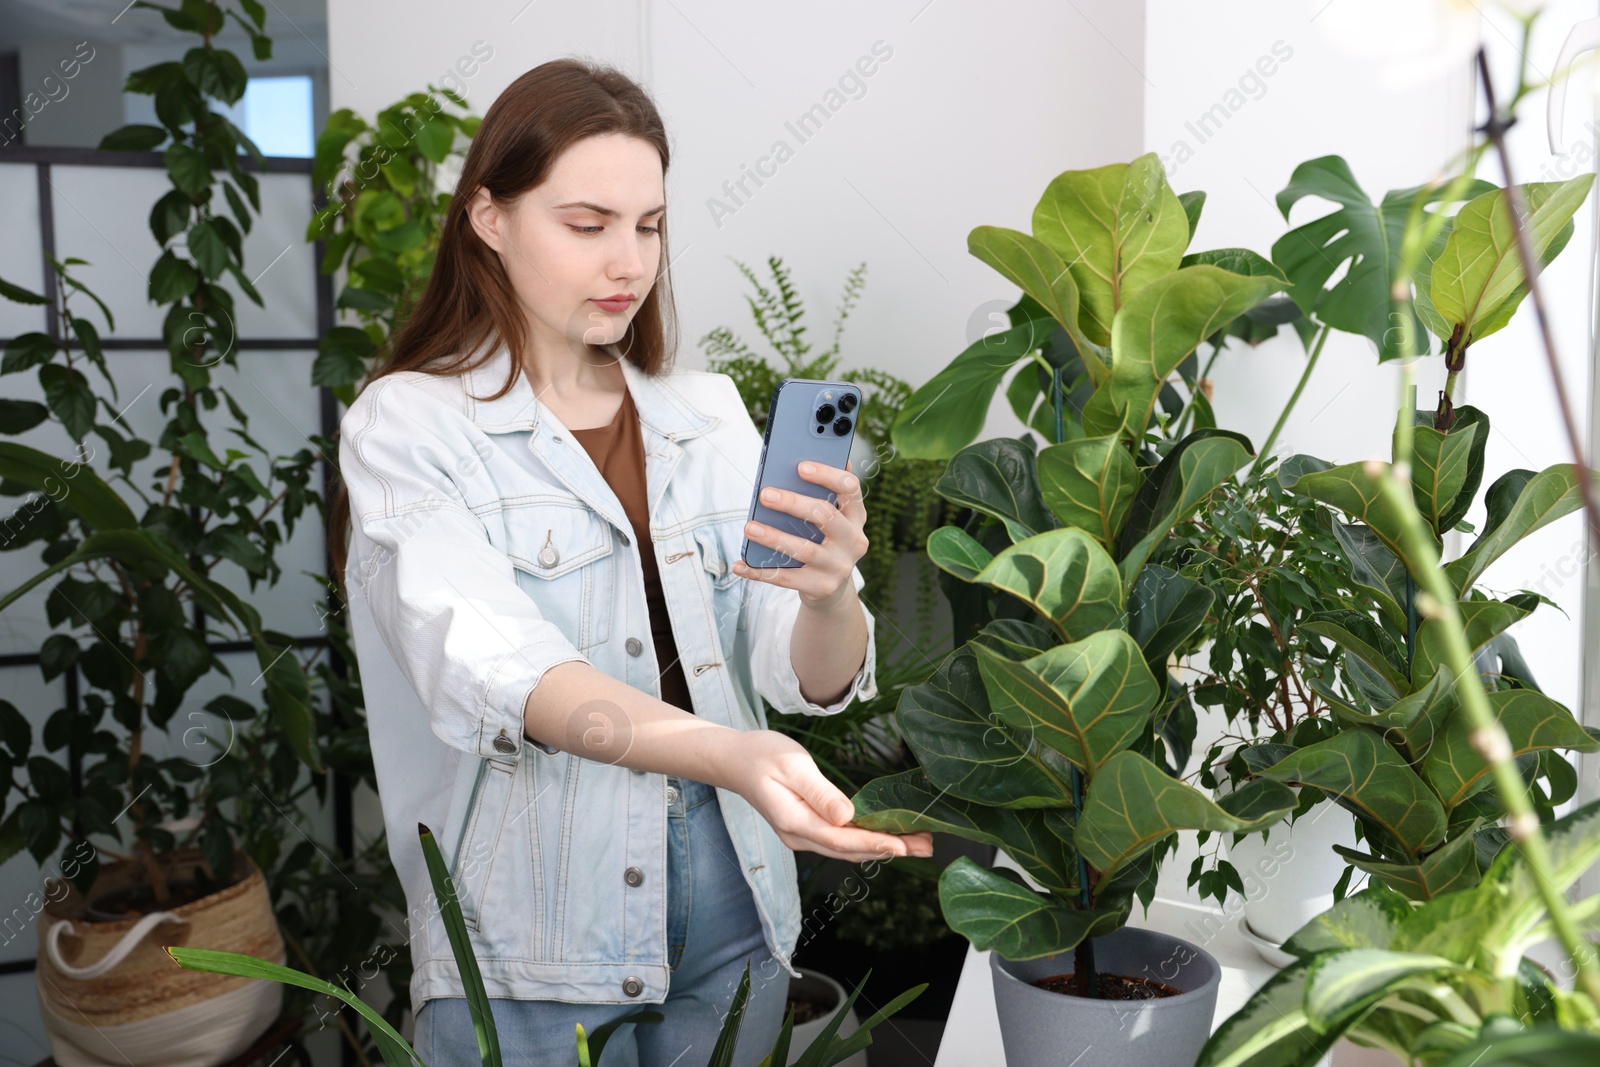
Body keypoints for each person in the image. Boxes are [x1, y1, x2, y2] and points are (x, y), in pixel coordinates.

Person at [330, 58, 933, 1067]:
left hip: (736, 905)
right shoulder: (411, 424)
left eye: (648, 225)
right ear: (488, 216)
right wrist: (732, 752)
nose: (628, 260)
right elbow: (498, 667)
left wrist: (830, 595)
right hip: (532, 941)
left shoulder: (708, 417)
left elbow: (805, 679)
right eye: (587, 223)